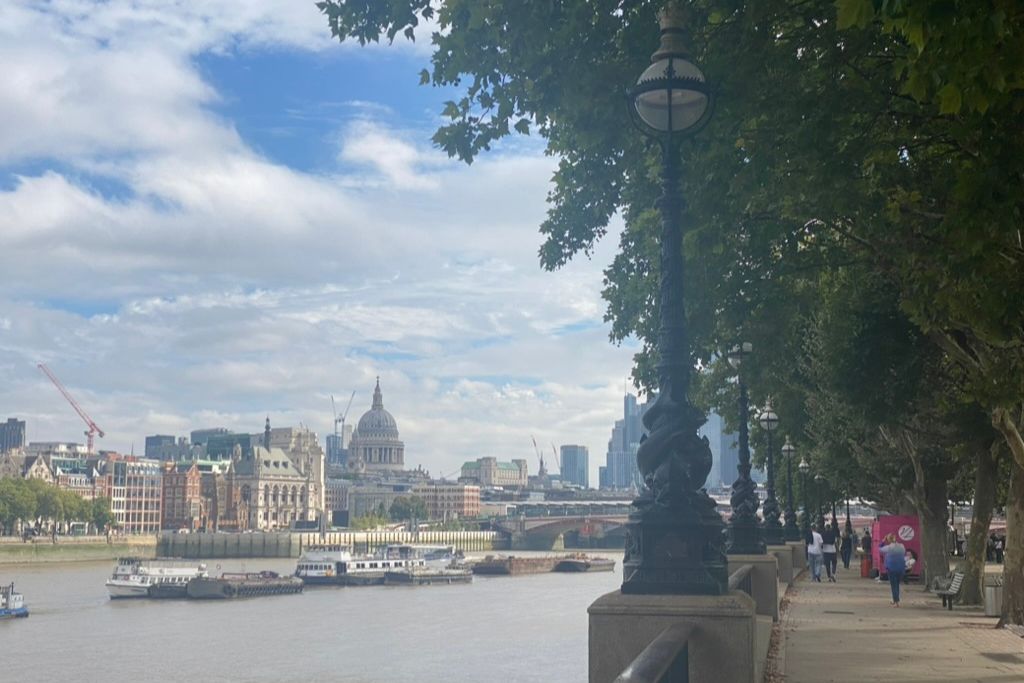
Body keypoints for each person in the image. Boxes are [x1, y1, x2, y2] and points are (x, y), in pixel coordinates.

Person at [880, 533, 907, 606]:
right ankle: (896, 599)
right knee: (897, 584)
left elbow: (880, 549)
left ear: (888, 540)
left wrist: (883, 541)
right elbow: (904, 553)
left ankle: (896, 601)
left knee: (893, 585)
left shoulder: (889, 547)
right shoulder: (902, 546)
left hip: (891, 568)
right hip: (900, 568)